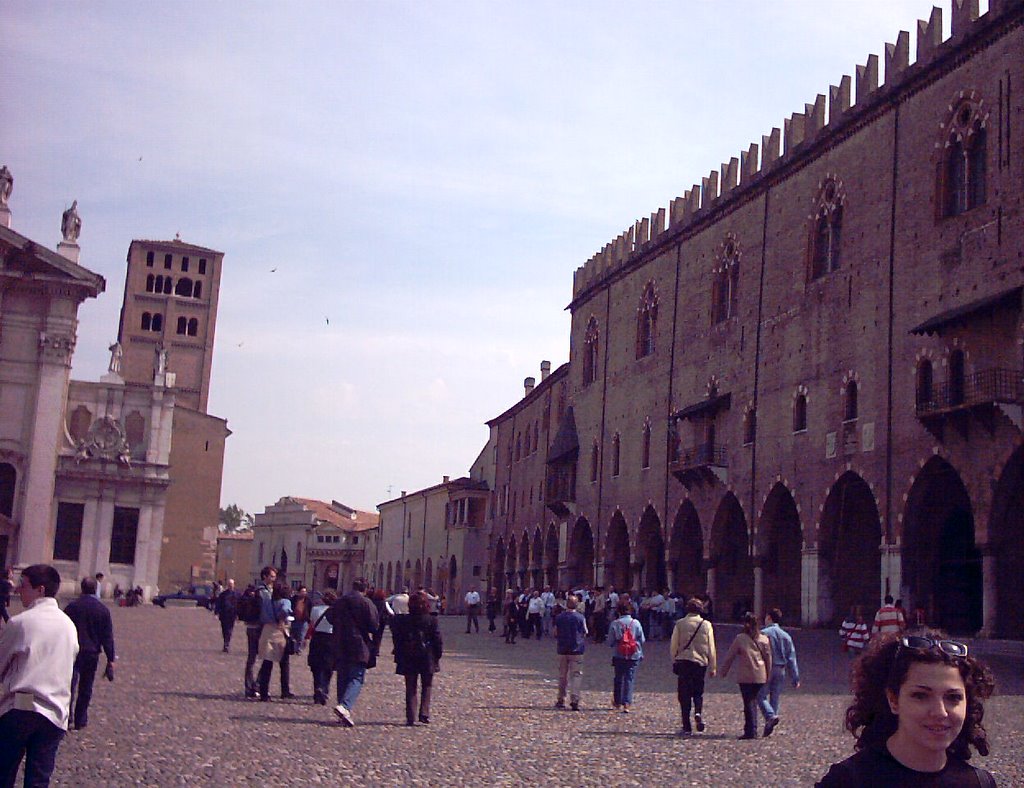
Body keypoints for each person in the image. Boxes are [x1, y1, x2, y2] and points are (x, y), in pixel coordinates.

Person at [815, 631, 996, 786]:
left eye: (953, 697)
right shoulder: (847, 782)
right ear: (893, 700)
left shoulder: (980, 783)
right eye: (921, 696)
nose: (940, 712)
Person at [0, 565, 79, 787]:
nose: (17, 590)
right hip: (54, 712)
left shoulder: (20, 623)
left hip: (20, 709)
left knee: (3, 773)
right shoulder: (68, 626)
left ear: (40, 589)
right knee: (38, 779)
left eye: (23, 585)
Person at [63, 577, 116, 730]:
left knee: (69, 686)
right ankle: (81, 719)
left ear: (82, 588)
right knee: (86, 687)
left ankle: (67, 717)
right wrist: (111, 658)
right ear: (95, 589)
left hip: (72, 651)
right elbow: (107, 636)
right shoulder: (102, 609)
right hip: (92, 652)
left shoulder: (72, 607)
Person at [328, 578, 379, 727]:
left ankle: (343, 710)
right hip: (359, 644)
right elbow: (374, 626)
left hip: (340, 642)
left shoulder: (340, 601)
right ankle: (344, 706)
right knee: (356, 677)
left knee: (342, 677)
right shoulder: (366, 603)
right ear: (365, 588)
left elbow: (330, 618)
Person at [391, 590, 443, 725]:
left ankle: (411, 715)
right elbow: (437, 638)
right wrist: (437, 654)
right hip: (427, 655)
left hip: (409, 655)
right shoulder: (432, 619)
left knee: (411, 686)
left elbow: (397, 639)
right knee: (427, 685)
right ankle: (424, 713)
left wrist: (398, 654)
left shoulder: (403, 620)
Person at [719, 611, 772, 739]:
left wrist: (724, 671)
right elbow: (768, 658)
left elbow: (730, 657)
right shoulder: (764, 639)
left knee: (748, 702)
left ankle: (750, 730)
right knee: (754, 700)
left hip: (746, 675)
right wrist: (768, 674)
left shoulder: (740, 639)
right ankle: (753, 728)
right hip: (760, 674)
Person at [670, 597, 716, 736]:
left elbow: (674, 645)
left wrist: (674, 660)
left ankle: (686, 726)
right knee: (698, 691)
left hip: (684, 662)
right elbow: (711, 647)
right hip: (700, 662)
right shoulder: (706, 625)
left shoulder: (680, 623)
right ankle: (698, 712)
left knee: (684, 694)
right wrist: (713, 666)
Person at [757, 607, 799, 738]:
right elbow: (791, 657)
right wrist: (795, 677)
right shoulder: (786, 636)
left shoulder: (763, 633)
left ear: (769, 617)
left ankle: (770, 716)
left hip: (767, 668)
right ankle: (770, 722)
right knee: (775, 697)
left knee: (761, 695)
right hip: (781, 669)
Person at [256, 583, 293, 701]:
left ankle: (264, 693)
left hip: (267, 630)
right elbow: (285, 611)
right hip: (279, 632)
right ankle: (285, 690)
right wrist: (282, 621)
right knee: (284, 663)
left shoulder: (267, 601)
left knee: (267, 664)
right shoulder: (285, 601)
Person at [606, 599, 645, 713]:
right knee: (629, 677)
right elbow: (642, 639)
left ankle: (617, 701)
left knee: (618, 677)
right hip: (633, 654)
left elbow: (610, 642)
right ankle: (627, 702)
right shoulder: (636, 623)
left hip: (619, 654)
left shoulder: (615, 623)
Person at [244, 566, 276, 698]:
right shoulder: (263, 592)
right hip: (260, 627)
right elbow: (266, 611)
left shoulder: (258, 590)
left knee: (253, 658)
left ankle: (251, 686)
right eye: (272, 576)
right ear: (265, 576)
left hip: (252, 627)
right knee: (264, 657)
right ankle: (254, 685)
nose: (274, 579)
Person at [553, 594, 587, 711]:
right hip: (577, 649)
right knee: (576, 675)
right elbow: (585, 631)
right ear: (576, 604)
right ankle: (575, 699)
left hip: (562, 649)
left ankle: (561, 699)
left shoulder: (559, 617)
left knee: (562, 676)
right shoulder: (580, 617)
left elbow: (555, 632)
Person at [305, 590, 337, 705]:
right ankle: (324, 689)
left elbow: (312, 623)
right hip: (331, 638)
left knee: (316, 666)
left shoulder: (315, 609)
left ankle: (317, 686)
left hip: (317, 637)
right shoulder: (336, 611)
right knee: (328, 666)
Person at [214, 579, 239, 652]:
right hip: (224, 615)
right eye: (229, 584)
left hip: (232, 614)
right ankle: (226, 642)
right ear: (227, 585)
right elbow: (218, 603)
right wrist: (216, 612)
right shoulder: (223, 594)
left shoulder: (237, 594)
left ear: (234, 585)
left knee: (229, 630)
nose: (231, 586)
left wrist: (239, 614)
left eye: (232, 584)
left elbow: (239, 605)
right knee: (224, 630)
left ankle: (226, 644)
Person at [290, 585, 311, 654]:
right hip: (294, 620)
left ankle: (298, 649)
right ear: (298, 592)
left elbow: (309, 610)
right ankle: (293, 648)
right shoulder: (293, 599)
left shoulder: (308, 600)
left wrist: (308, 619)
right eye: (302, 591)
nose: (304, 593)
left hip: (303, 621)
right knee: (292, 636)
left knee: (301, 637)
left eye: (305, 591)